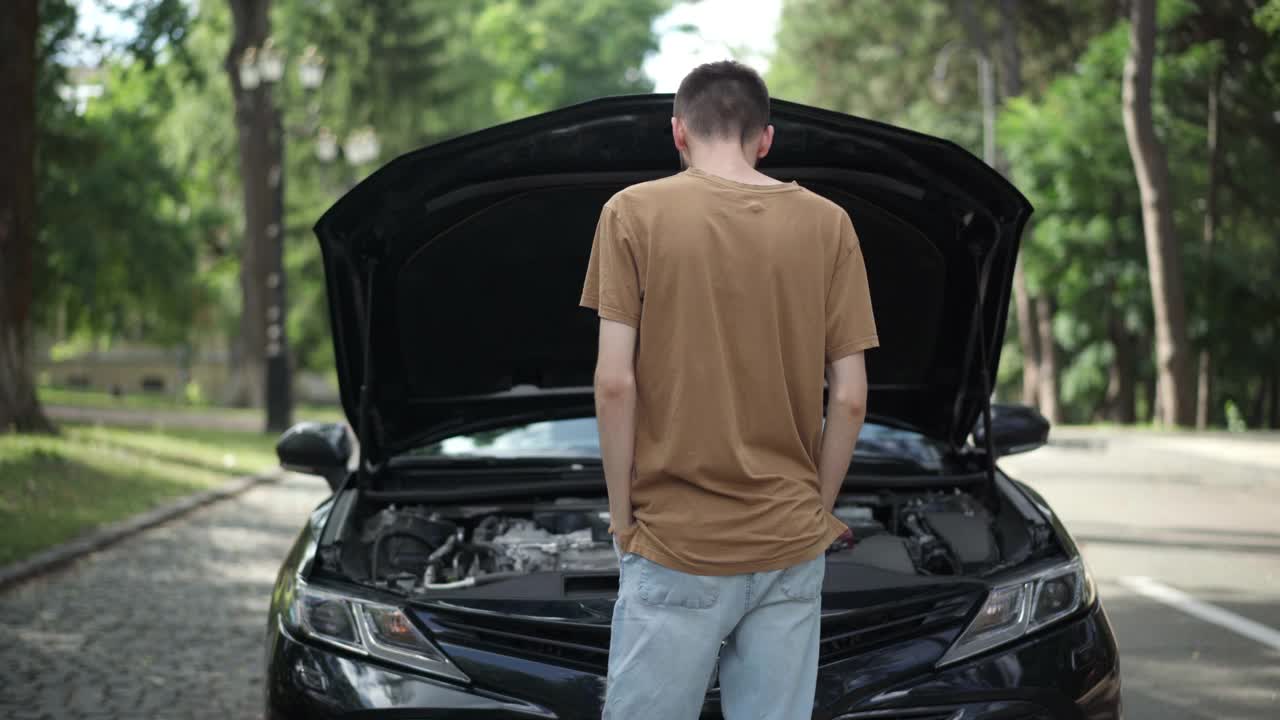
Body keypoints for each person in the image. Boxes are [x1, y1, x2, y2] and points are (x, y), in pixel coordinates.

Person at [579, 60, 879, 720]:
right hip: (790, 544)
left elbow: (613, 383)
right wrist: (816, 510)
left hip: (675, 542)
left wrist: (624, 516)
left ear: (678, 133)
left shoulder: (631, 213)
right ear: (765, 138)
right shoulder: (830, 225)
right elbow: (851, 395)